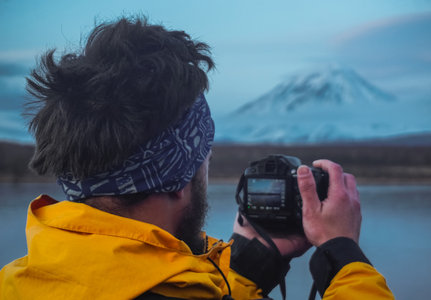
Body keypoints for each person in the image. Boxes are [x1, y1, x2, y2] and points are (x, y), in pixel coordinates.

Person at [0, 16, 394, 299]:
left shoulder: (16, 282)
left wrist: (247, 271)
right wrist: (344, 257)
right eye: (203, 155)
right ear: (178, 177)